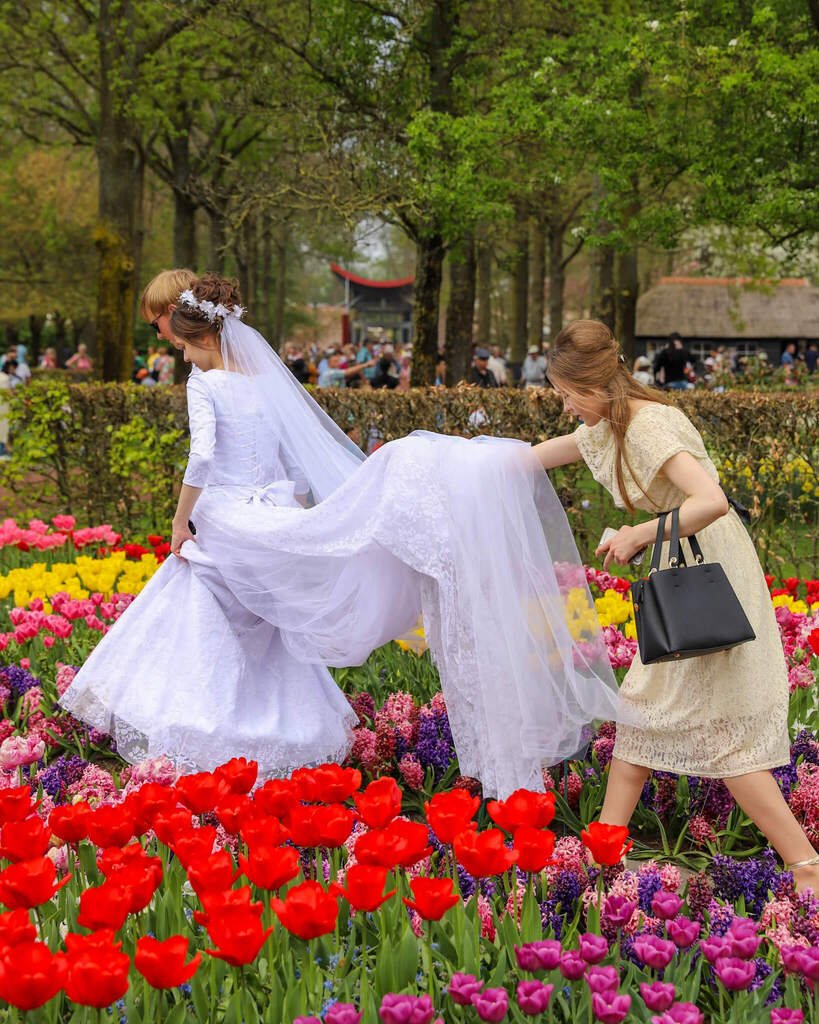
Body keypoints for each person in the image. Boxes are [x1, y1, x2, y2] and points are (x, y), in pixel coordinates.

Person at [60, 273, 625, 798]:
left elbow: (203, 456)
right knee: (253, 611)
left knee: (197, 590)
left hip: (230, 512)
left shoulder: (203, 383)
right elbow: (293, 469)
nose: (178, 353)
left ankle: (196, 724)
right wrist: (305, 517)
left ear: (197, 337)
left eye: (180, 345)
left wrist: (184, 518)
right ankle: (283, 728)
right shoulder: (262, 382)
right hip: (274, 504)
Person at [533, 319, 819, 891]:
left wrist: (640, 533)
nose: (563, 406)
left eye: (566, 394)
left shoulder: (646, 425)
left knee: (714, 730)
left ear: (592, 386)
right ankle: (605, 853)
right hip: (683, 572)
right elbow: (530, 459)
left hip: (706, 576)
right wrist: (446, 468)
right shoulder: (608, 427)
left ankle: (806, 866)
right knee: (644, 711)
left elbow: (712, 500)